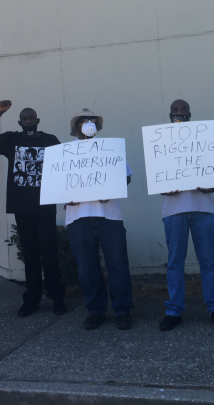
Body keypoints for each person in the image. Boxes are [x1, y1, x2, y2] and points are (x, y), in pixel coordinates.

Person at [0, 101, 66, 317]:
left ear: (38, 120)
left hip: (46, 206)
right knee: (30, 254)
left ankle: (57, 297)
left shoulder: (51, 140)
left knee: (49, 253)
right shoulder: (12, 139)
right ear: (20, 122)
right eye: (24, 119)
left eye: (31, 118)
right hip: (22, 206)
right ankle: (32, 299)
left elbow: (65, 167)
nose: (28, 121)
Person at [158, 99, 214, 331]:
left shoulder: (205, 138)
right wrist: (163, 187)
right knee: (174, 262)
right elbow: (157, 176)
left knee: (208, 261)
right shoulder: (159, 140)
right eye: (176, 110)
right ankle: (174, 310)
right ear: (169, 114)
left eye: (184, 110)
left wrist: (213, 186)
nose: (180, 113)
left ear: (191, 114)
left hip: (203, 208)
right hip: (173, 209)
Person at [65, 108, 135, 330]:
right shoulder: (65, 153)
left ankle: (122, 310)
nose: (88, 125)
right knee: (86, 267)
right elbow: (56, 185)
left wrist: (112, 188)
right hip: (78, 217)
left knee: (118, 264)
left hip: (109, 215)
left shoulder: (110, 149)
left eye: (92, 121)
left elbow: (126, 178)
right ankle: (95, 309)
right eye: (84, 122)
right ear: (76, 129)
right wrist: (66, 197)